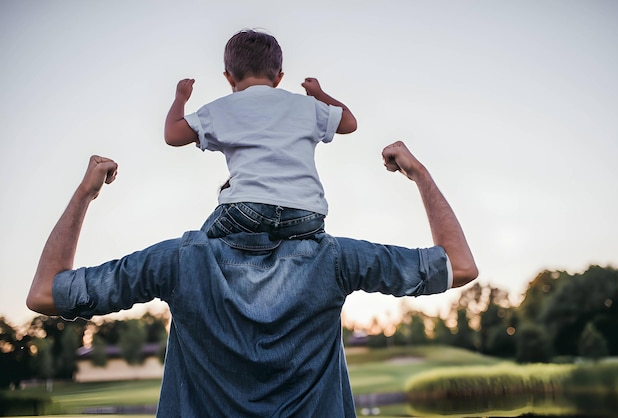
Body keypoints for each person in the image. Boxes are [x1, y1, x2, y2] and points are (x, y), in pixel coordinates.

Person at [27, 141, 478, 417]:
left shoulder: (178, 261)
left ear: (226, 201)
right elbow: (460, 266)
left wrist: (85, 193)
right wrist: (418, 173)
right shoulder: (335, 259)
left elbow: (46, 293)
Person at [164, 29, 357, 240]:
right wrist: (319, 94)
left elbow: (173, 135)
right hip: (307, 214)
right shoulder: (306, 105)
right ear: (279, 78)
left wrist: (180, 98)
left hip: (247, 210)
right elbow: (349, 122)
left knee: (198, 247)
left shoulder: (221, 109)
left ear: (229, 77)